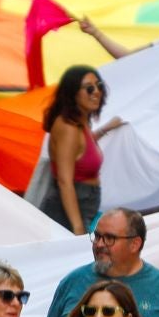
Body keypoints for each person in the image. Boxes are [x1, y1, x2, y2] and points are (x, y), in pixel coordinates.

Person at [40, 64, 110, 235]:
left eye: (99, 86)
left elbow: (82, 150)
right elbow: (65, 181)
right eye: (89, 88)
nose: (96, 92)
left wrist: (106, 128)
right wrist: (78, 228)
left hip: (84, 206)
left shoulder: (80, 123)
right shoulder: (68, 127)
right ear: (73, 93)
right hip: (70, 212)